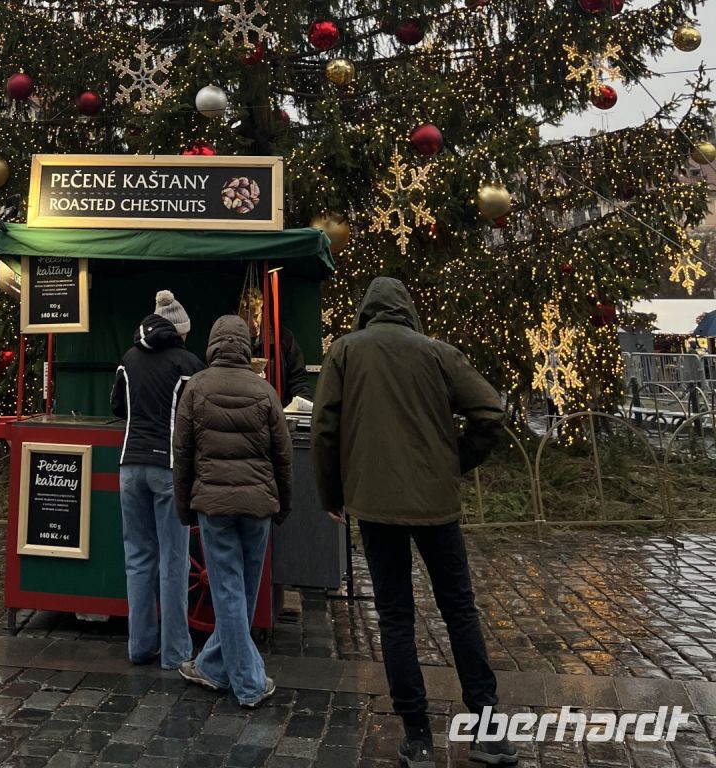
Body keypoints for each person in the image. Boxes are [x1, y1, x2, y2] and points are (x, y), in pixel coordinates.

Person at [311, 277, 510, 767]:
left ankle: (417, 735)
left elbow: (324, 429)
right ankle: (489, 731)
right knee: (459, 610)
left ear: (367, 311)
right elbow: (490, 412)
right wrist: (454, 462)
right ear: (408, 310)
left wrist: (332, 493)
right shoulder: (437, 353)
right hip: (436, 505)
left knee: (395, 615)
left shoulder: (344, 352)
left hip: (374, 505)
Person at [172, 314, 292, 708]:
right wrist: (283, 505)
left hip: (214, 505)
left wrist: (185, 506)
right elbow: (283, 456)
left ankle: (237, 679)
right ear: (246, 345)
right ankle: (241, 676)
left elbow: (183, 454)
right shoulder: (264, 391)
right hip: (258, 505)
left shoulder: (196, 389)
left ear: (212, 345)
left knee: (228, 592)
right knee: (242, 591)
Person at [110, 289, 204, 670]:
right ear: (180, 330)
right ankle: (176, 651)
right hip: (168, 468)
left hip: (129, 466)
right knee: (174, 559)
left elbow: (117, 406)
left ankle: (139, 645)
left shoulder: (129, 359)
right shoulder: (188, 364)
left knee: (138, 557)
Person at [238, 287, 310, 405]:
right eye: (246, 318)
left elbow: (298, 379)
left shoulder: (283, 338)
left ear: (262, 310)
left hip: (276, 411)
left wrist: (302, 406)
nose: (254, 324)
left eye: (256, 316)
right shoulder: (231, 343)